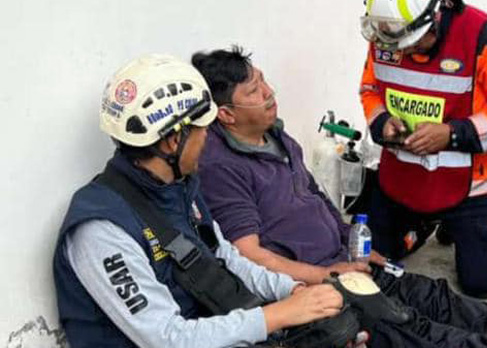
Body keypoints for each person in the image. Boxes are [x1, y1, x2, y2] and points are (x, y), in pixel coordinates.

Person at [192, 46, 487, 348]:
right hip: (317, 285)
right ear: (226, 114)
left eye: (263, 81)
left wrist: (349, 241)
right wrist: (324, 274)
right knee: (410, 327)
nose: (269, 93)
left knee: (427, 293)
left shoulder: (278, 138)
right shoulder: (220, 168)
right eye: (254, 92)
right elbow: (250, 255)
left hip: (344, 261)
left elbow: (315, 197)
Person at [53, 55, 348, 348]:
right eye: (202, 128)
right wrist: (275, 316)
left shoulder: (179, 187)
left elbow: (227, 259)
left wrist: (291, 291)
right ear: (173, 141)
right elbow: (167, 339)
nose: (208, 137)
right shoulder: (101, 230)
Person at [357, 0, 487, 299]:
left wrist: (452, 134)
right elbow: (370, 89)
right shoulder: (388, 33)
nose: (400, 50)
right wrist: (381, 122)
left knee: (483, 283)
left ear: (435, 16)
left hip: (469, 186)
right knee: (369, 260)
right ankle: (425, 221)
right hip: (402, 178)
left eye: (412, 42)